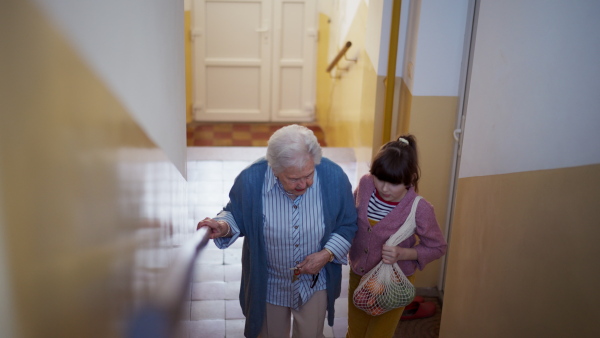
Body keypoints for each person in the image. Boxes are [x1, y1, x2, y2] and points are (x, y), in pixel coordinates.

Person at [197, 124, 357, 338]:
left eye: (309, 175)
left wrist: (326, 254)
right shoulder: (252, 180)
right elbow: (235, 214)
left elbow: (347, 223)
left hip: (314, 282)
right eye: (293, 179)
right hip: (269, 282)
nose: (303, 184)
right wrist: (223, 226)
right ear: (274, 168)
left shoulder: (334, 178)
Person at [346, 135, 448, 338]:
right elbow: (350, 215)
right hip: (359, 274)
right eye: (380, 178)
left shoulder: (420, 208)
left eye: (393, 183)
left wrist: (403, 253)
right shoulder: (366, 184)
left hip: (393, 282)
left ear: (409, 180)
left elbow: (438, 247)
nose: (384, 188)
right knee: (355, 332)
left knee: (378, 335)